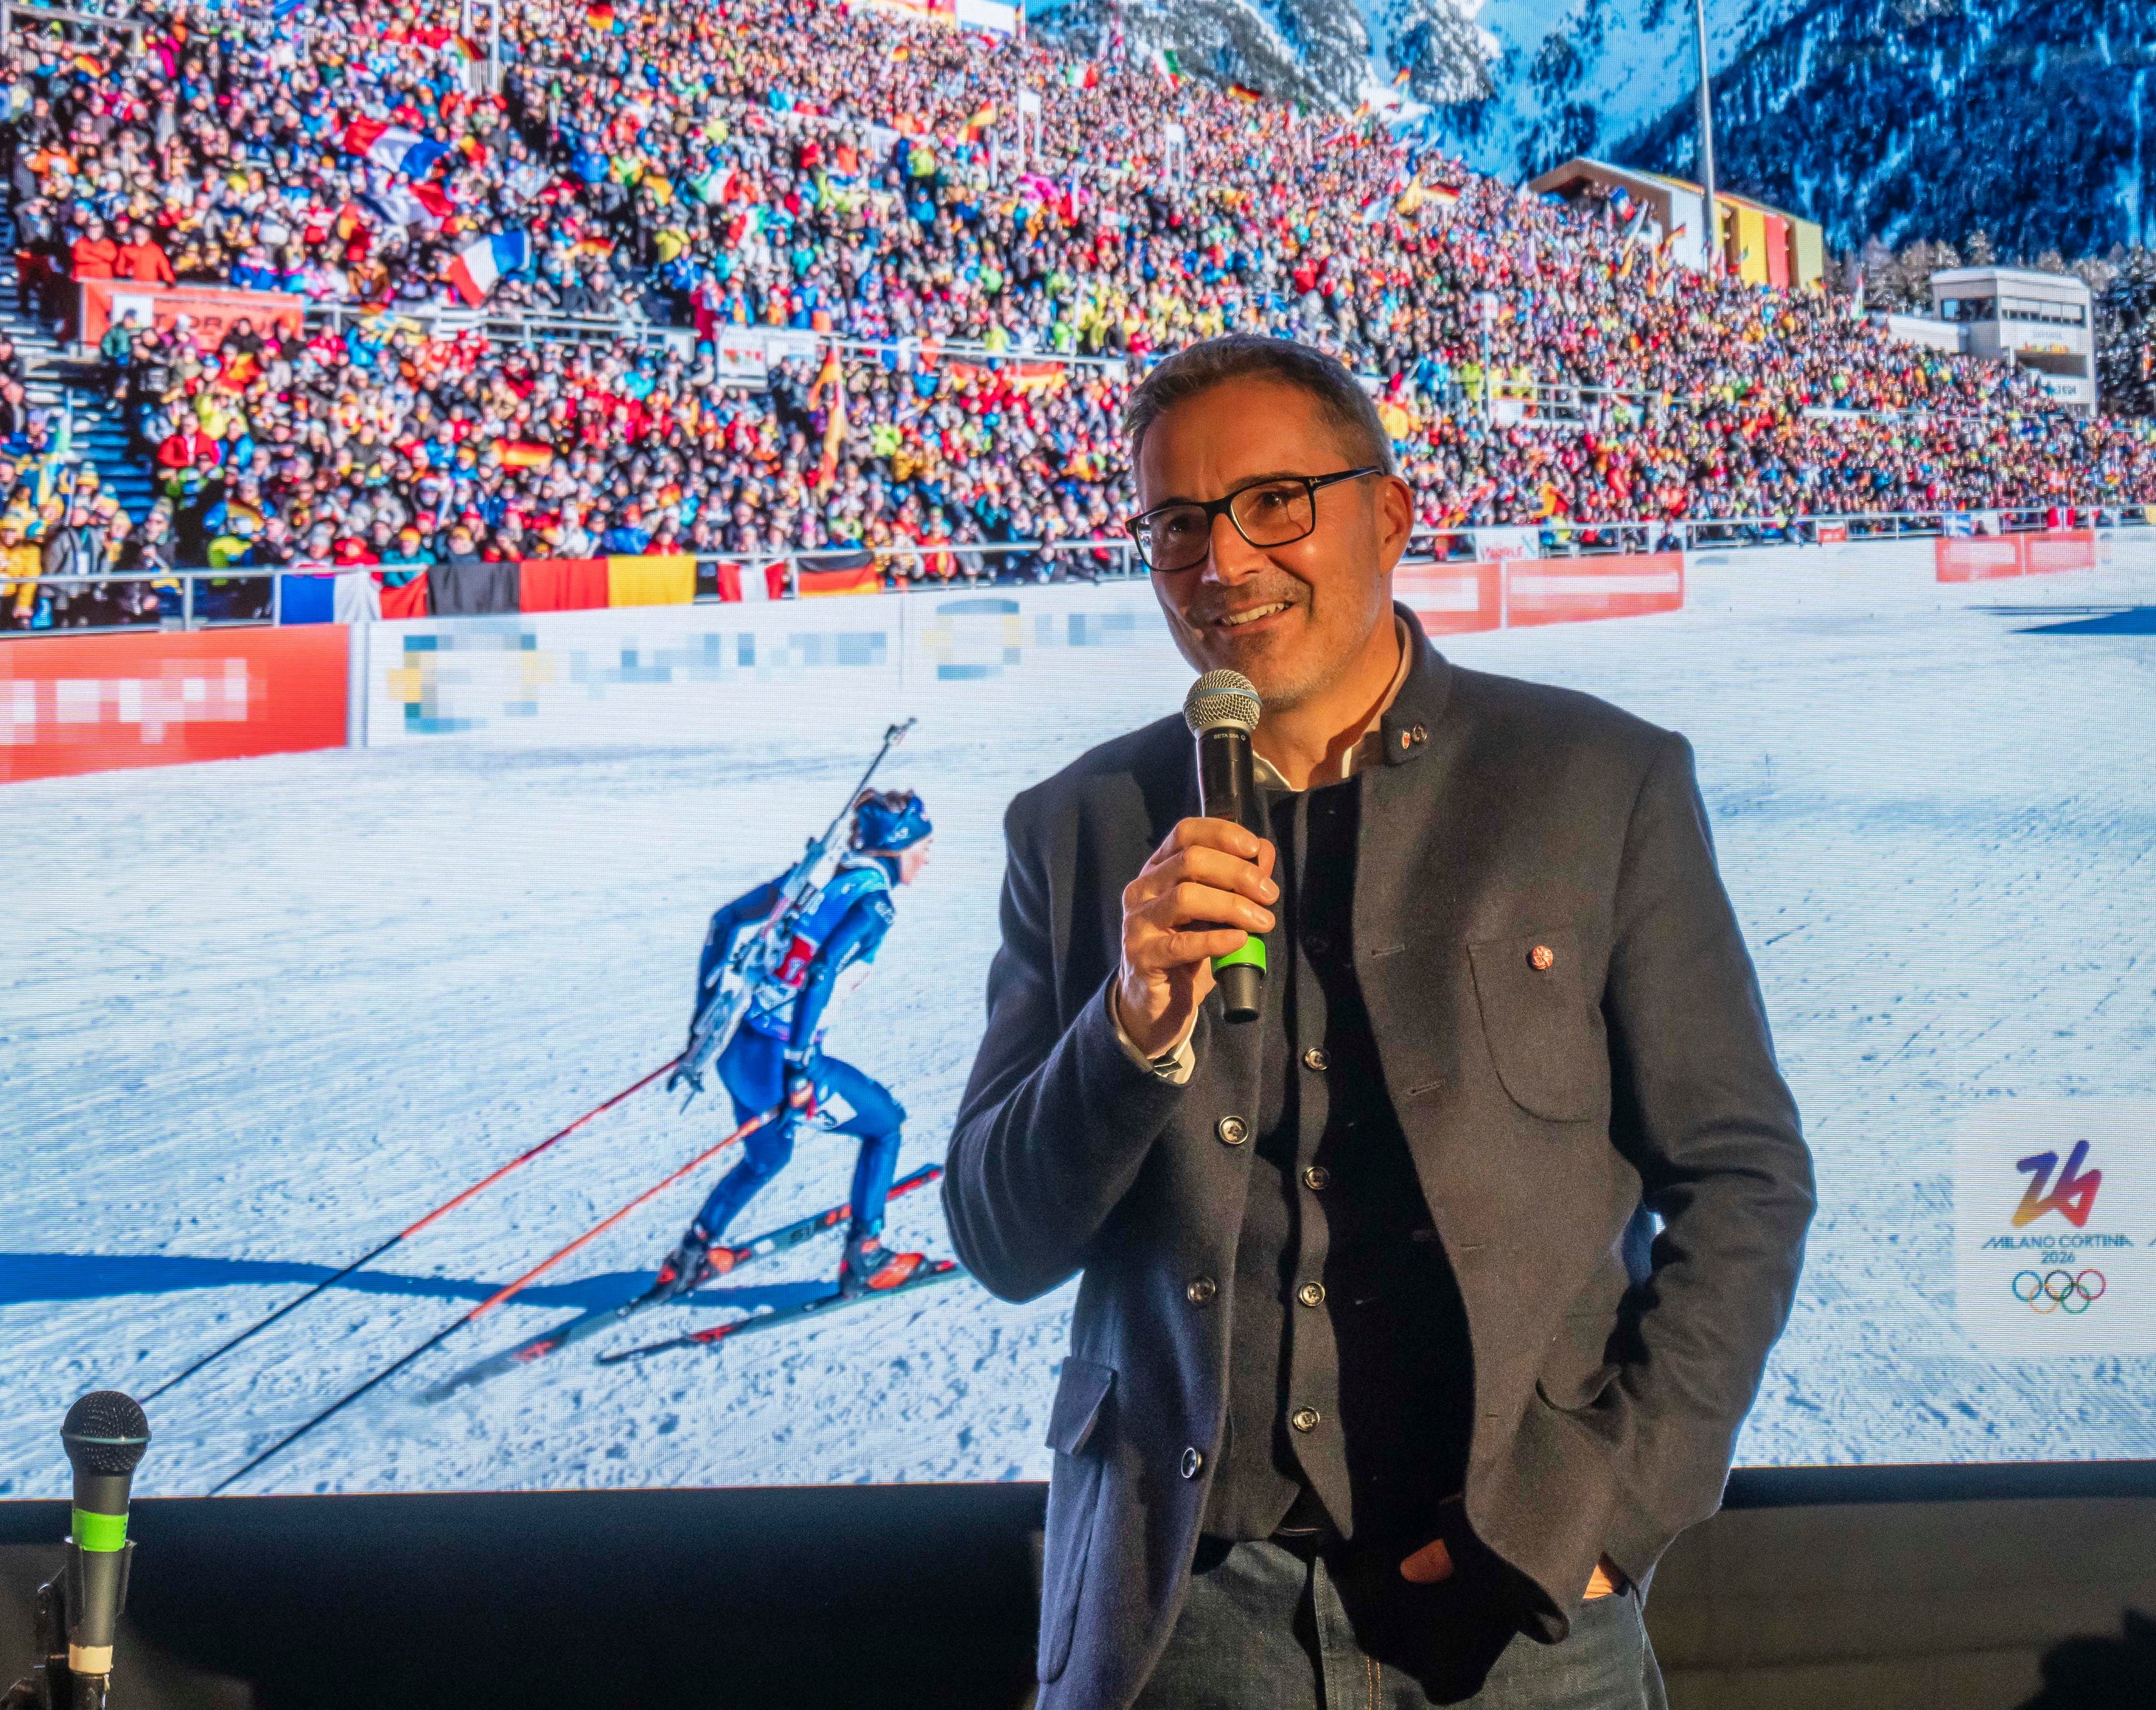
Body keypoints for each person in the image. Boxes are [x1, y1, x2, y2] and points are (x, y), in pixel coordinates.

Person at [943, 335, 1816, 1710]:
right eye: (1175, 522)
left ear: (1389, 514)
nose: (1221, 562)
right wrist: (1126, 1029)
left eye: (1272, 503)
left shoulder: (1598, 782)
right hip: (1179, 1619)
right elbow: (997, 1239)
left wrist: (1614, 1514)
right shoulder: (1073, 827)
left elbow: (1742, 1177)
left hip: (1522, 1620)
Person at [652, 787, 938, 1302]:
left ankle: (692, 1255)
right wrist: (801, 1068)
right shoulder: (874, 905)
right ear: (896, 847)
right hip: (781, 1065)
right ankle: (866, 1257)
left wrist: (702, 1026)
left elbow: (724, 922)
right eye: (923, 846)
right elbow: (822, 971)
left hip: (739, 1053)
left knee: (767, 1156)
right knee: (885, 1127)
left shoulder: (811, 877)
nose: (927, 857)